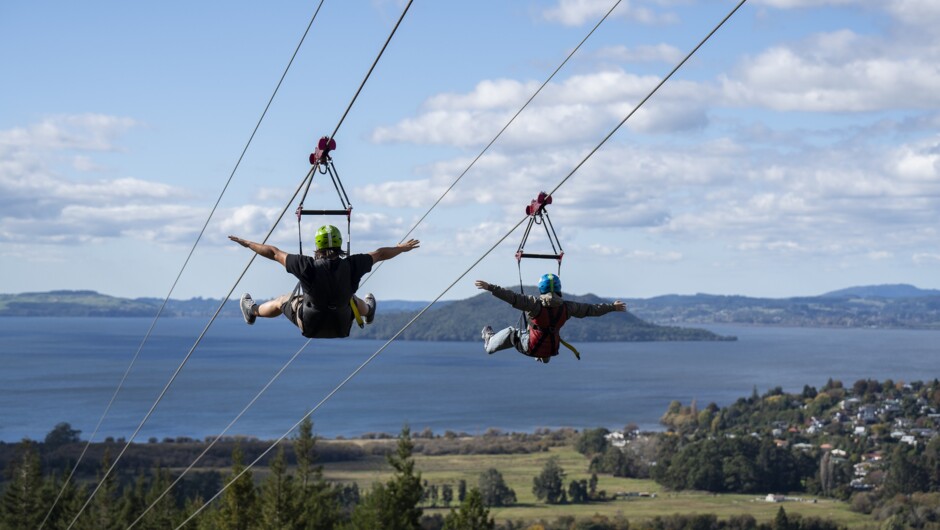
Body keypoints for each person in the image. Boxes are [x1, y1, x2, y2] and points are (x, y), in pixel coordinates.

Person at [229, 225, 419, 339]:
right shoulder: (353, 265)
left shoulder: (306, 266)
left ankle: (252, 311)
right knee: (349, 298)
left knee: (283, 300)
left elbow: (274, 252)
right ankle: (369, 311)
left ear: (317, 246)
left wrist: (248, 244)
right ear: (339, 244)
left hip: (311, 324)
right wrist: (400, 248)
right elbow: (380, 253)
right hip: (341, 325)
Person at [474, 273, 626, 363]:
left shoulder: (534, 304)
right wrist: (612, 306)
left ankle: (489, 341)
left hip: (532, 347)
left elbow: (511, 297)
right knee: (537, 330)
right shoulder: (567, 307)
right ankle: (542, 356)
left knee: (510, 332)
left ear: (541, 289)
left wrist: (491, 288)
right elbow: (591, 310)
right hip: (551, 349)